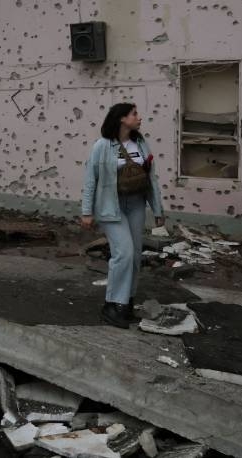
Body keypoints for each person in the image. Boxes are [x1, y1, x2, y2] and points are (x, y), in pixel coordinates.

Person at [80, 103, 165, 329]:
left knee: (135, 255)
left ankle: (126, 303)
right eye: (134, 114)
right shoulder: (102, 146)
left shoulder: (141, 143)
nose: (139, 117)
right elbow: (90, 179)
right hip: (111, 206)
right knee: (123, 253)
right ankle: (112, 306)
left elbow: (151, 178)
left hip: (136, 205)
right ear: (121, 119)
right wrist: (86, 211)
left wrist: (158, 210)